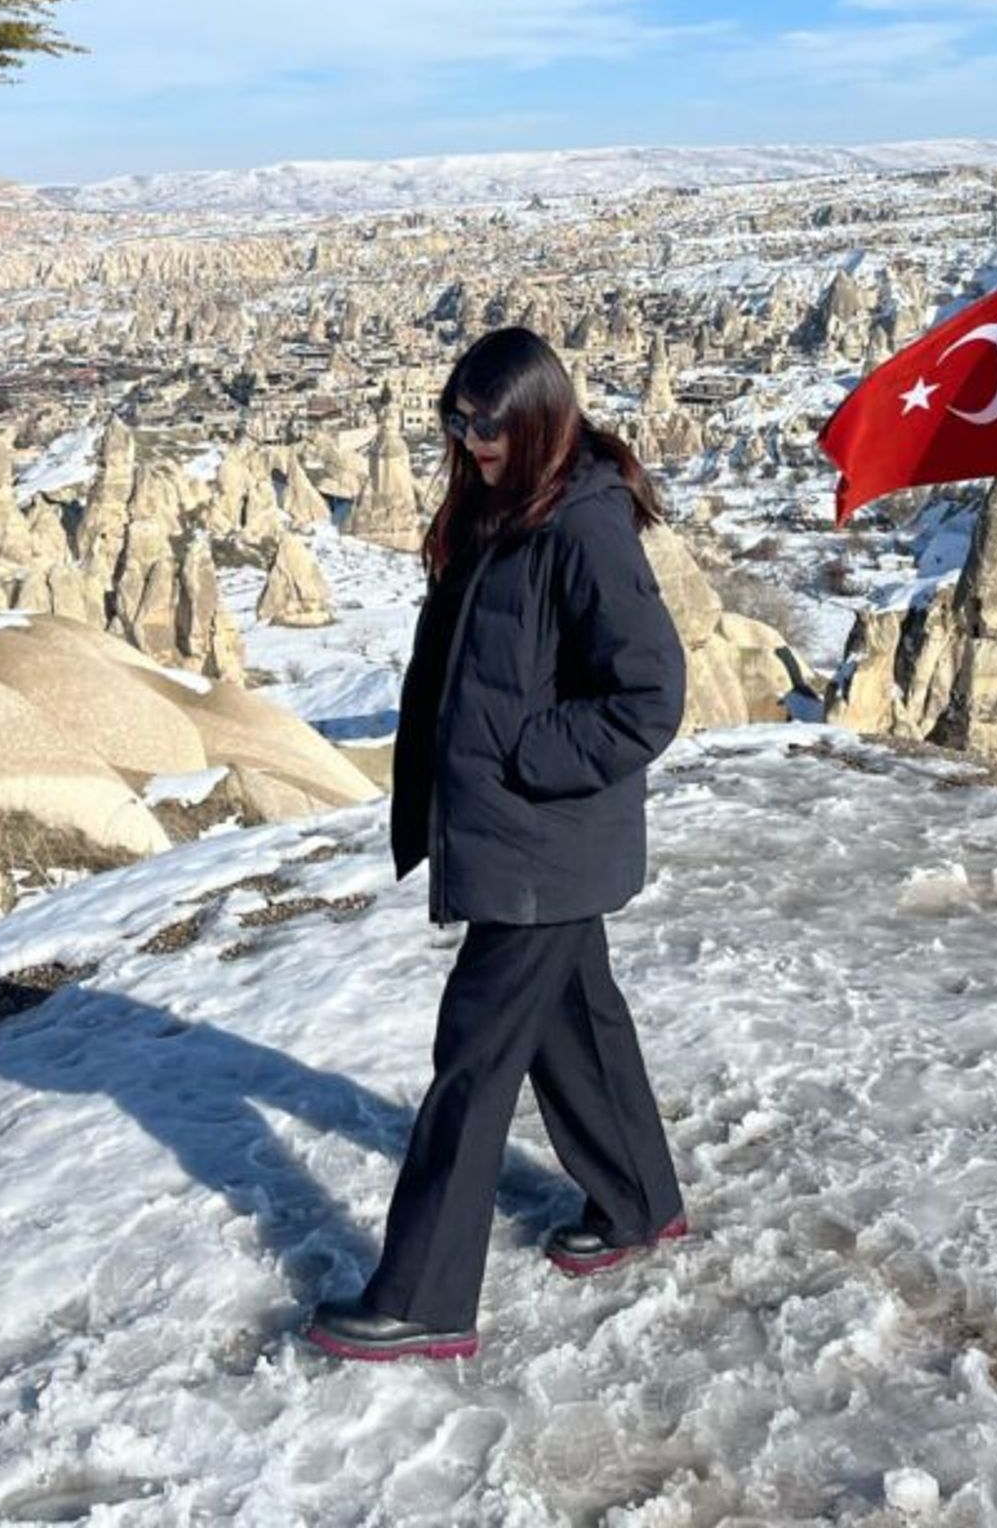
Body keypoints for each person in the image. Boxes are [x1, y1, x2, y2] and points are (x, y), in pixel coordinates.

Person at [305, 327, 689, 1362]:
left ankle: (426, 1296)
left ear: (538, 418)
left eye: (489, 422)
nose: (470, 440)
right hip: (529, 835)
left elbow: (649, 693)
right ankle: (640, 1202)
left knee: (471, 1064)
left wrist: (529, 755)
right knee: (576, 1024)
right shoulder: (512, 508)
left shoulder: (583, 528)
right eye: (456, 419)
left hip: (542, 841)